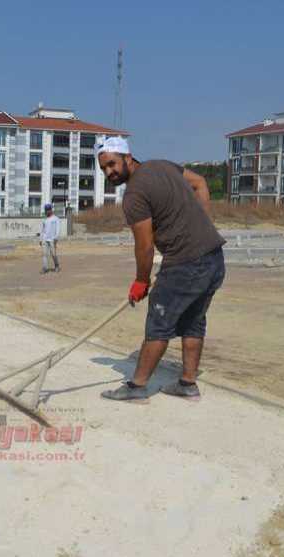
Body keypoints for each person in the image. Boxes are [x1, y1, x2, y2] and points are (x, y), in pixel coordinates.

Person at [96, 136, 226, 402]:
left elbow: (144, 247)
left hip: (185, 263)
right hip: (213, 257)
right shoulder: (162, 166)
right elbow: (200, 183)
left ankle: (137, 387)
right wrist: (202, 224)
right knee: (193, 321)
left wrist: (140, 281)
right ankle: (187, 384)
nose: (109, 172)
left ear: (127, 158)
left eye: (112, 164)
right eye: (104, 169)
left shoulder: (134, 195)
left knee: (159, 323)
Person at [39, 203, 61, 274]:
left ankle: (56, 265)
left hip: (52, 239)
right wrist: (40, 239)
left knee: (53, 254)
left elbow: (57, 229)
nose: (47, 211)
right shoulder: (45, 220)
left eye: (48, 209)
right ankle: (45, 268)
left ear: (51, 210)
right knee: (44, 254)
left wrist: (56, 237)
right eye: (46, 210)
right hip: (45, 240)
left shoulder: (55, 219)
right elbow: (42, 230)